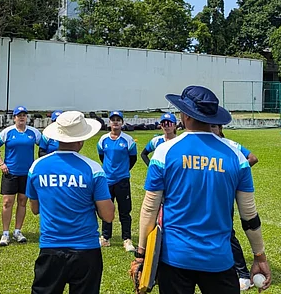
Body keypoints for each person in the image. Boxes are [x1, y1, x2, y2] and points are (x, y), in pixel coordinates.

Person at [130, 86, 271, 294]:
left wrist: (141, 254)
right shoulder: (236, 156)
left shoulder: (164, 152)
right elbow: (249, 215)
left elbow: (149, 209)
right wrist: (259, 256)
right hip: (219, 259)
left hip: (175, 258)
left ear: (185, 115)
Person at [26, 111, 115, 294]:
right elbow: (108, 215)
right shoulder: (93, 169)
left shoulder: (37, 166)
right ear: (81, 139)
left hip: (51, 247)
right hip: (85, 249)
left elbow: (35, 208)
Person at [211, 123, 260, 291]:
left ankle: (243, 274)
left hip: (223, 197)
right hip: (208, 197)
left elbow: (252, 158)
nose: (211, 129)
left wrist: (234, 176)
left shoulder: (231, 145)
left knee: (227, 233)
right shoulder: (205, 145)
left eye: (214, 126)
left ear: (220, 128)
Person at [0, 105, 42, 246]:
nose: (21, 117)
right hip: (10, 172)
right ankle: (5, 233)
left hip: (27, 173)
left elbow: (44, 148)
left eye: (24, 115)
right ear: (14, 118)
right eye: (19, 115)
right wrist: (1, 163)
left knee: (22, 201)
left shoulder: (34, 133)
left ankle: (18, 231)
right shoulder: (7, 132)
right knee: (7, 202)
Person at [97, 110, 137, 252]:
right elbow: (102, 156)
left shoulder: (128, 140)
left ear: (122, 123)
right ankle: (105, 237)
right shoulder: (103, 140)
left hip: (122, 180)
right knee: (106, 209)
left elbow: (133, 158)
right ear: (109, 123)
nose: (115, 122)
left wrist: (123, 170)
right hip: (107, 180)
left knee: (124, 211)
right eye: (113, 120)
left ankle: (126, 239)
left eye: (118, 120)